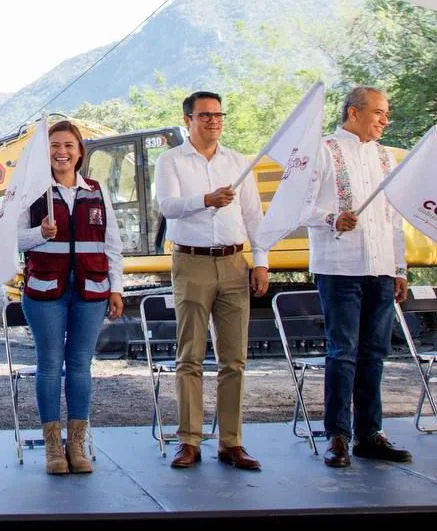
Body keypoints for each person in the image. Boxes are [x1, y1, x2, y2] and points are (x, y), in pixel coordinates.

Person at [155, 91, 269, 471]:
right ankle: (189, 441)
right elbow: (167, 206)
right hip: (191, 262)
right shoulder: (171, 160)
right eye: (205, 115)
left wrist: (261, 262)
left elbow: (253, 216)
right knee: (190, 356)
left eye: (218, 115)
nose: (213, 121)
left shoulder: (237, 162)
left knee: (234, 359)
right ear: (187, 119)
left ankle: (231, 442)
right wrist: (206, 199)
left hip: (235, 262)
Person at [301, 86, 412, 468]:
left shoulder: (385, 157)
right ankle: (337, 435)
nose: (385, 120)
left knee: (375, 352)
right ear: (353, 112)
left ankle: (370, 433)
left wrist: (399, 268)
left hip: (380, 269)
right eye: (379, 112)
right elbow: (299, 206)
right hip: (340, 268)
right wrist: (331, 218)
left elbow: (393, 218)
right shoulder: (322, 150)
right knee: (342, 352)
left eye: (386, 113)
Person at [17, 120, 124, 474]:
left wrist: (117, 287)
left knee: (80, 365)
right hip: (45, 290)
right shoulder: (32, 191)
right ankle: (53, 447)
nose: (61, 152)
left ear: (80, 151)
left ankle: (76, 444)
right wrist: (39, 233)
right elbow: (11, 239)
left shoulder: (96, 190)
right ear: (45, 152)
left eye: (68, 145)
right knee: (50, 364)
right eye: (54, 146)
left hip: (91, 290)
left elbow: (112, 243)